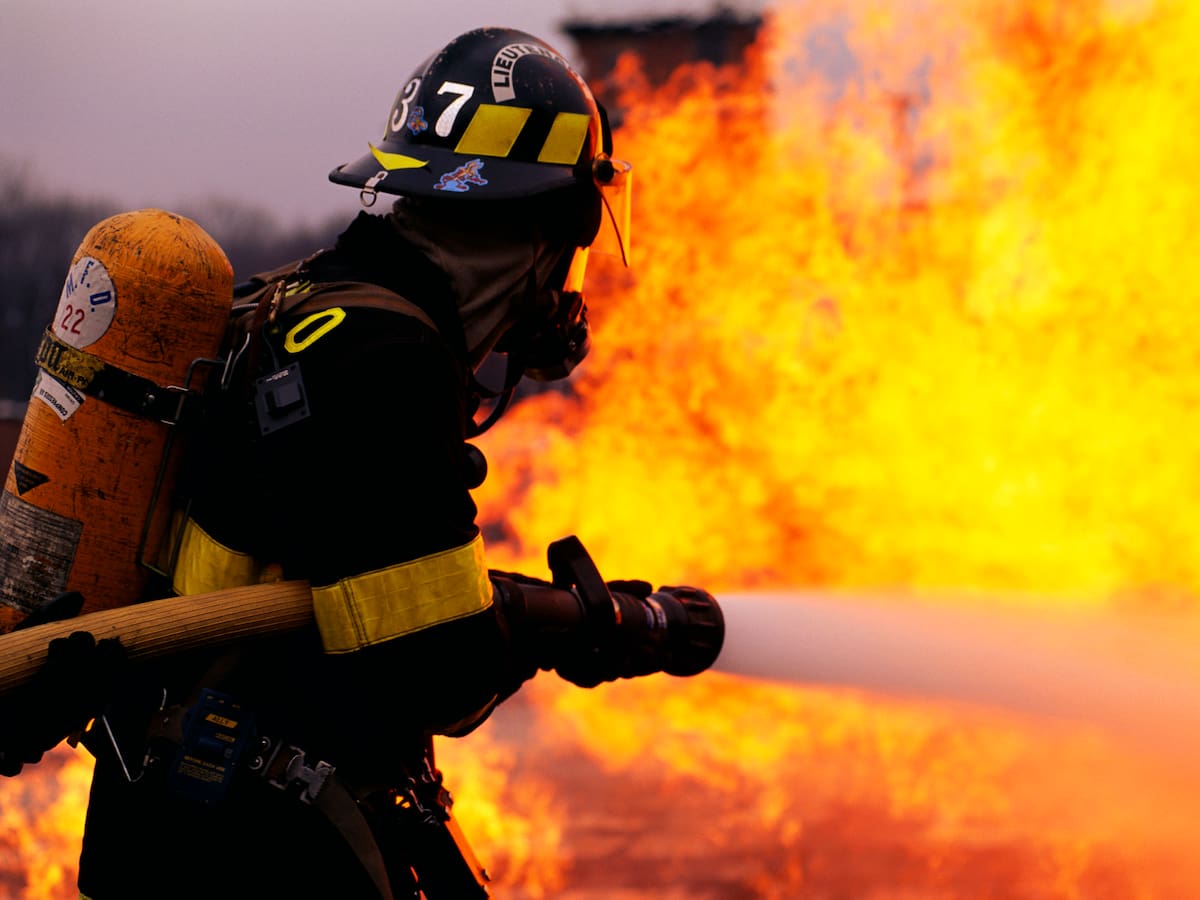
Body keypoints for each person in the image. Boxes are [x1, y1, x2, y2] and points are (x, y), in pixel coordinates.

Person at [0, 26, 723, 899]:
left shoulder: (305, 301)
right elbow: (435, 666)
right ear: (545, 228)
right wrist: (578, 626)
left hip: (183, 811)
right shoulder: (384, 361)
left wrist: (545, 615)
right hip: (260, 846)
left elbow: (366, 578)